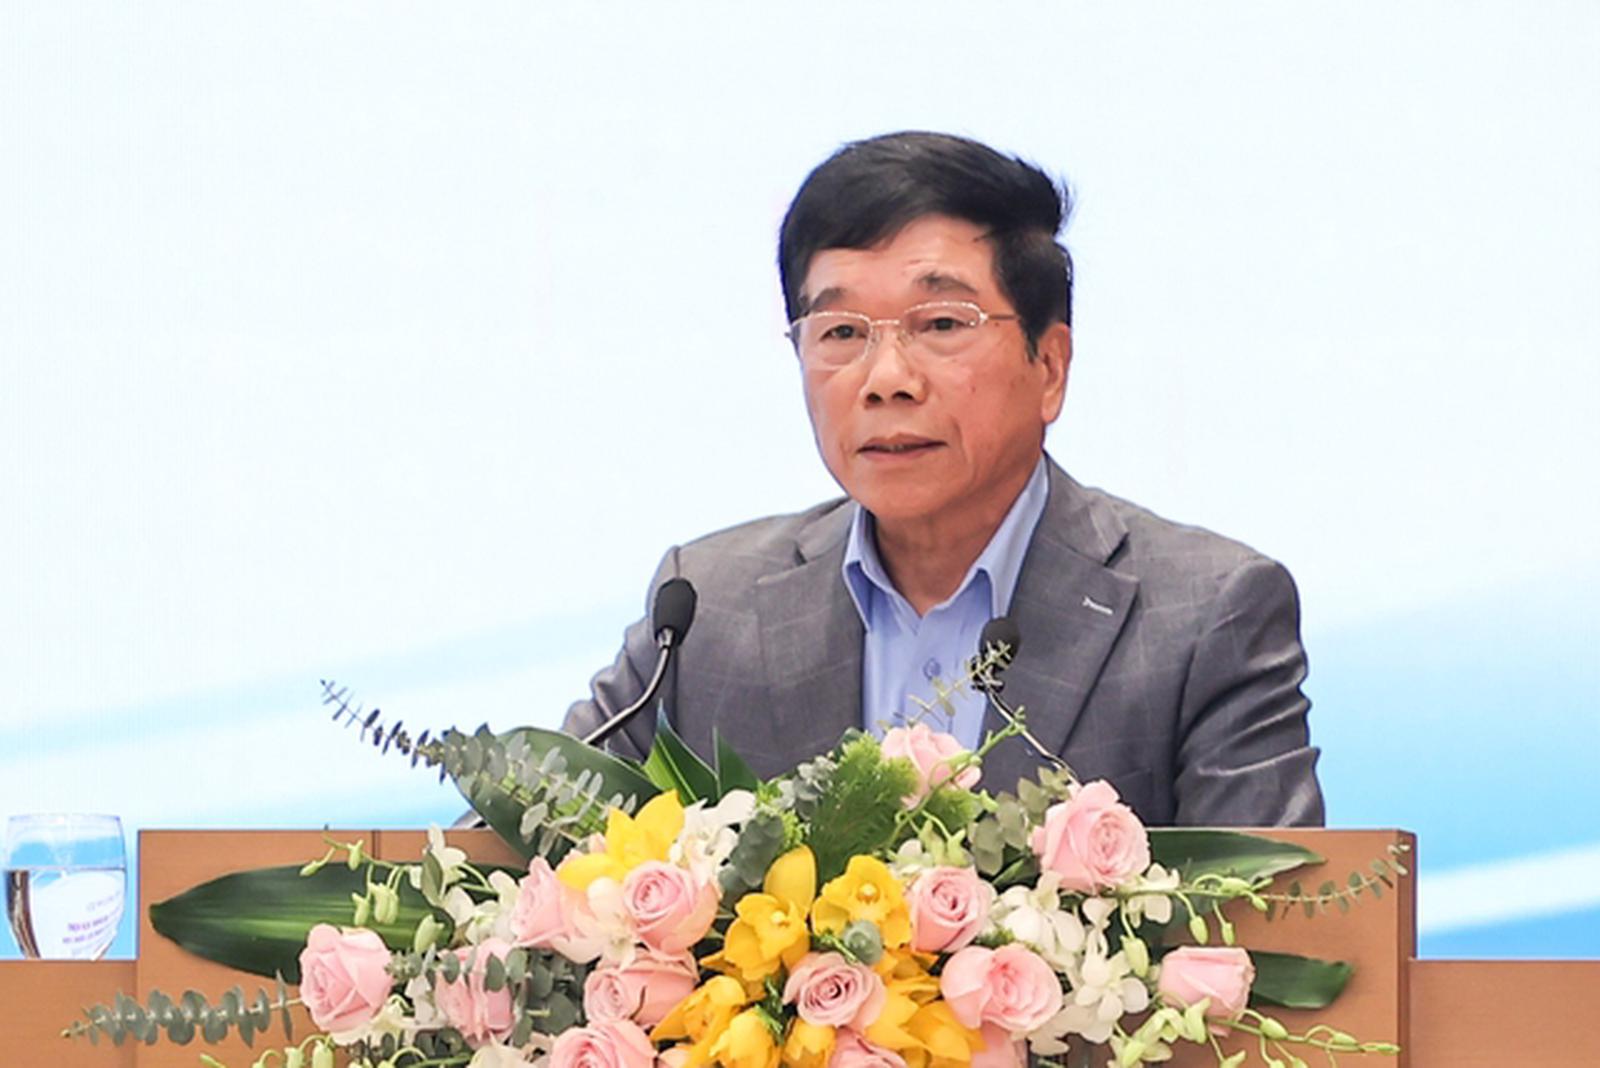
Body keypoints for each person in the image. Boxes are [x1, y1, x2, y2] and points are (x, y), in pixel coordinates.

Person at [562, 131, 1323, 827]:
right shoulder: (703, 609)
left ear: (1050, 366)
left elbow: (1277, 916)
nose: (886, 379)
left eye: (941, 325)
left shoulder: (1205, 619)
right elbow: (527, 836)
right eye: (841, 332)